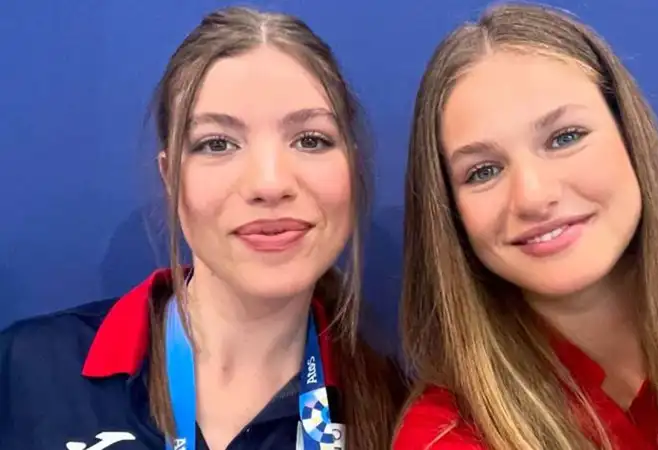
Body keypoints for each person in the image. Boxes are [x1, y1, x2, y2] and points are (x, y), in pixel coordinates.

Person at [393, 3, 658, 450]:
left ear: (632, 139)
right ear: (450, 214)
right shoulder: (444, 436)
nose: (533, 195)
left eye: (565, 137)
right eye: (483, 171)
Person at [0, 6, 407, 450]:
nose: (269, 184)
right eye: (217, 143)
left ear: (353, 168)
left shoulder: (398, 418)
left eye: (310, 140)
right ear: (170, 180)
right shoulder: (30, 371)